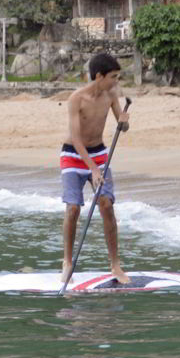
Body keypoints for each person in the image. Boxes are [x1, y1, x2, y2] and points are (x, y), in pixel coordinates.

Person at [60, 52, 131, 284]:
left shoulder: (111, 94)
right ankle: (68, 262)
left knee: (106, 205)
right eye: (113, 76)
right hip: (73, 154)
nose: (116, 81)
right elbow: (77, 139)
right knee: (73, 208)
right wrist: (93, 168)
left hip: (99, 152)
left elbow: (122, 123)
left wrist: (124, 122)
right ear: (99, 76)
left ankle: (115, 265)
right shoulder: (76, 99)